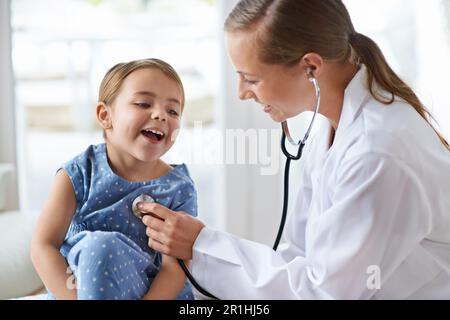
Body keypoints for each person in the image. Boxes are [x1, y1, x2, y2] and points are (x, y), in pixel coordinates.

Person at [139, 0, 450, 299]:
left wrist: (202, 245)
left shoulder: (378, 152)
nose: (242, 93)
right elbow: (299, 258)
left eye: (251, 79)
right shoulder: (333, 125)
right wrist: (202, 247)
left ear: (311, 67)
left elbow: (324, 294)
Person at [30, 58, 197, 300]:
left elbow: (175, 269)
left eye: (172, 110)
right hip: (81, 291)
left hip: (151, 293)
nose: (161, 115)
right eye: (143, 103)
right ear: (105, 115)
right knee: (100, 248)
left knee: (104, 248)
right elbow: (42, 246)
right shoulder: (78, 173)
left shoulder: (179, 188)